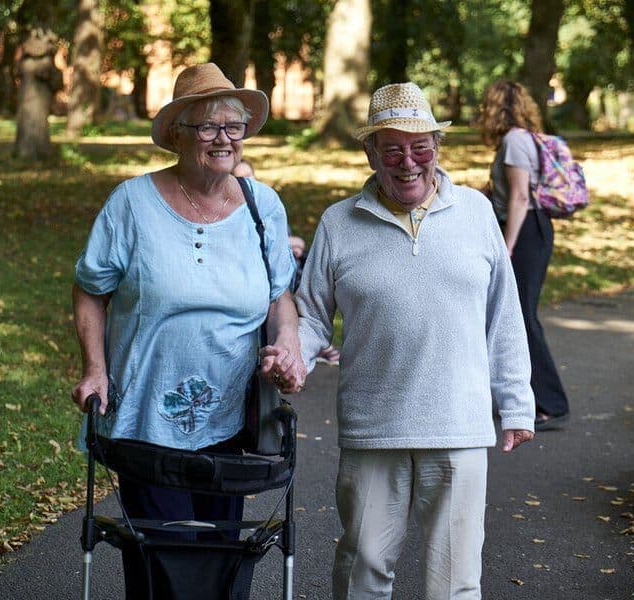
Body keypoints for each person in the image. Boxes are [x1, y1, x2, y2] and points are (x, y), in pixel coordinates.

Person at [292, 82, 535, 600]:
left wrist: (516, 404)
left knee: (455, 582)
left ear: (437, 149)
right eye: (393, 149)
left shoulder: (475, 212)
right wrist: (293, 358)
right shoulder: (339, 223)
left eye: (420, 147)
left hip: (459, 423)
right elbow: (311, 314)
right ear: (370, 153)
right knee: (362, 568)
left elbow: (504, 315)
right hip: (373, 426)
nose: (408, 162)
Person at [70, 62, 306, 596]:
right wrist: (94, 369)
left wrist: (287, 343)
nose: (223, 139)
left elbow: (278, 295)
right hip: (143, 419)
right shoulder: (131, 204)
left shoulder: (261, 206)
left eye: (234, 126)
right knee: (170, 567)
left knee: (220, 560)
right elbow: (90, 287)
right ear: (178, 133)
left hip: (232, 425)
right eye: (208, 126)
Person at [477, 80, 570, 431]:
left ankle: (552, 403)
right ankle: (519, 397)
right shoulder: (516, 140)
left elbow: (519, 198)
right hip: (526, 229)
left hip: (525, 232)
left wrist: (507, 245)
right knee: (512, 317)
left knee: (523, 318)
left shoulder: (515, 140)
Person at [233, 159, 341, 365]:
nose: (246, 182)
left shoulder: (265, 208)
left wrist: (293, 245)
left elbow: (288, 245)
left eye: (249, 176)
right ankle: (310, 347)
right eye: (239, 178)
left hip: (286, 280)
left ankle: (308, 345)